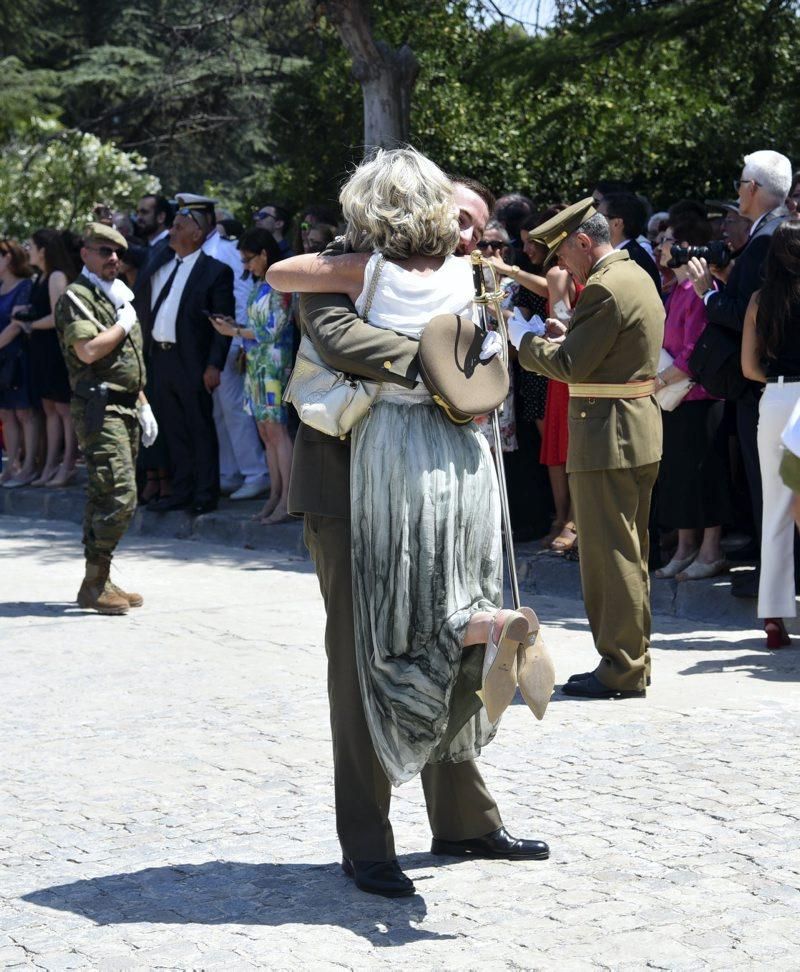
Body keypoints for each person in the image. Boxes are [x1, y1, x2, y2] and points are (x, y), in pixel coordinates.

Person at [267, 152, 549, 899]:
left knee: (457, 637)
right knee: (365, 660)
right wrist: (437, 361)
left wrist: (465, 361)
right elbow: (336, 339)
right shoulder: (333, 271)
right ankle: (367, 840)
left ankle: (463, 819)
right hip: (350, 490)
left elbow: (492, 345)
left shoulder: (465, 270)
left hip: (452, 476)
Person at [512, 199, 664, 699]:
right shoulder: (634, 273)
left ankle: (620, 666)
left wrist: (524, 342)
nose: (559, 267)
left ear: (583, 241)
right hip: (634, 429)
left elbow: (575, 365)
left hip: (607, 434)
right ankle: (632, 660)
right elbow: (606, 349)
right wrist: (565, 334)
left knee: (609, 557)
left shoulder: (602, 285)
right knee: (631, 553)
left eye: (563, 255)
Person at [687, 150, 793, 600]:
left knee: (773, 484)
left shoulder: (771, 236)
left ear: (752, 188)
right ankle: (772, 575)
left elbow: (753, 312)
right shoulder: (770, 232)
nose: (737, 193)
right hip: (767, 384)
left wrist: (706, 293)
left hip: (770, 383)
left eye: (739, 184)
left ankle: (777, 581)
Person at [53, 223, 157, 614]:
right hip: (101, 408)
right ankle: (94, 582)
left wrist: (143, 402)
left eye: (117, 252)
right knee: (119, 494)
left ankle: (99, 577)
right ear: (85, 255)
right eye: (103, 251)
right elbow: (89, 351)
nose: (113, 258)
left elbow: (127, 364)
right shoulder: (77, 298)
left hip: (126, 405)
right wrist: (122, 324)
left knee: (104, 494)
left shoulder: (114, 296)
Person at [134, 199, 234, 515]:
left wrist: (214, 365)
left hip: (192, 361)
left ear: (197, 233)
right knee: (173, 428)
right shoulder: (163, 263)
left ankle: (205, 494)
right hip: (161, 359)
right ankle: (181, 490)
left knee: (199, 427)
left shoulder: (215, 271)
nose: (171, 232)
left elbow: (221, 324)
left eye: (178, 227)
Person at [653, 215, 732, 580]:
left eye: (668, 239)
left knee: (705, 474)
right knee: (681, 474)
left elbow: (696, 348)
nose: (661, 245)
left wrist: (662, 379)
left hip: (700, 395)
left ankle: (711, 550)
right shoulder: (676, 289)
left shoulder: (701, 289)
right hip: (677, 395)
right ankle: (686, 547)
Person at [174, 193, 266, 502]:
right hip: (209, 343)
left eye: (190, 221)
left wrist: (238, 339)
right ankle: (231, 471)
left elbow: (240, 297)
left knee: (235, 411)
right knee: (218, 412)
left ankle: (256, 472)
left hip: (230, 339)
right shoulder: (195, 254)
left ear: (206, 223)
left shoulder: (225, 251)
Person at [741, 220, 800, 649]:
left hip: (776, 399)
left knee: (776, 510)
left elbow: (749, 368)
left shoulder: (761, 301)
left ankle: (775, 618)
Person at [211, 228, 295, 524]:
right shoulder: (262, 284)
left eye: (249, 259)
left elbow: (271, 331)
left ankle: (287, 498)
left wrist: (233, 331)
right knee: (265, 433)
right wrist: (235, 326)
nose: (246, 266)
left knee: (277, 432)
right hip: (258, 365)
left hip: (272, 365)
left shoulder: (281, 283)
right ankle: (275, 494)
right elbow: (258, 326)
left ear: (264, 254)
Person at [13, 229, 78, 488]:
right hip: (41, 350)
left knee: (64, 410)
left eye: (30, 245)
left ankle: (67, 465)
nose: (27, 249)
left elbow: (58, 316)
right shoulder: (41, 277)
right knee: (50, 409)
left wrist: (30, 325)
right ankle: (49, 465)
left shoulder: (57, 276)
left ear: (43, 250)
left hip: (55, 350)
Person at [0, 240, 35, 484]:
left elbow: (16, 325)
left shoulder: (25, 286)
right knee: (6, 414)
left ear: (8, 258)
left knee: (24, 413)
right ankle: (12, 464)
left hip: (18, 358)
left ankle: (29, 466)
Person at [597, 193, 662, 295]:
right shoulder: (627, 255)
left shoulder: (634, 261)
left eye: (599, 216)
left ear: (616, 223)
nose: (593, 221)